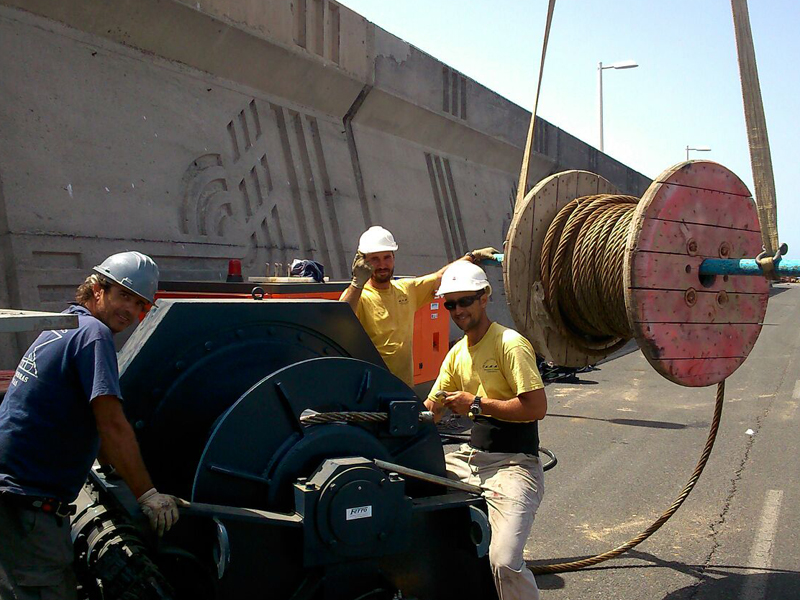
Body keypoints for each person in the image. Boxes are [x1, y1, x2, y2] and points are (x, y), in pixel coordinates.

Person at [0, 251, 181, 600]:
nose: (130, 311)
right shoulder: (94, 335)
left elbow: (85, 419)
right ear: (98, 290)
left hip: (12, 495)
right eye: (124, 296)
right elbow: (111, 424)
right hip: (27, 506)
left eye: (140, 304)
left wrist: (113, 467)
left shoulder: (65, 323)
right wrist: (148, 495)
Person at [424, 261, 547, 600]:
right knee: (408, 483)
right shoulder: (456, 355)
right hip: (471, 460)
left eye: (465, 301)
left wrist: (477, 404)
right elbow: (431, 411)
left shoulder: (510, 344)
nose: (458, 310)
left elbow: (536, 408)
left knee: (505, 561)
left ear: (484, 298)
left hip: (514, 466)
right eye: (450, 304)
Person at [340, 225, 497, 388]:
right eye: (375, 259)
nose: (382, 265)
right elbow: (340, 318)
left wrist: (472, 257)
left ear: (394, 258)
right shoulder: (360, 296)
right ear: (362, 262)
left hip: (403, 388)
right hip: (369, 389)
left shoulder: (406, 290)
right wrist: (356, 284)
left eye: (387, 257)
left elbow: (440, 277)